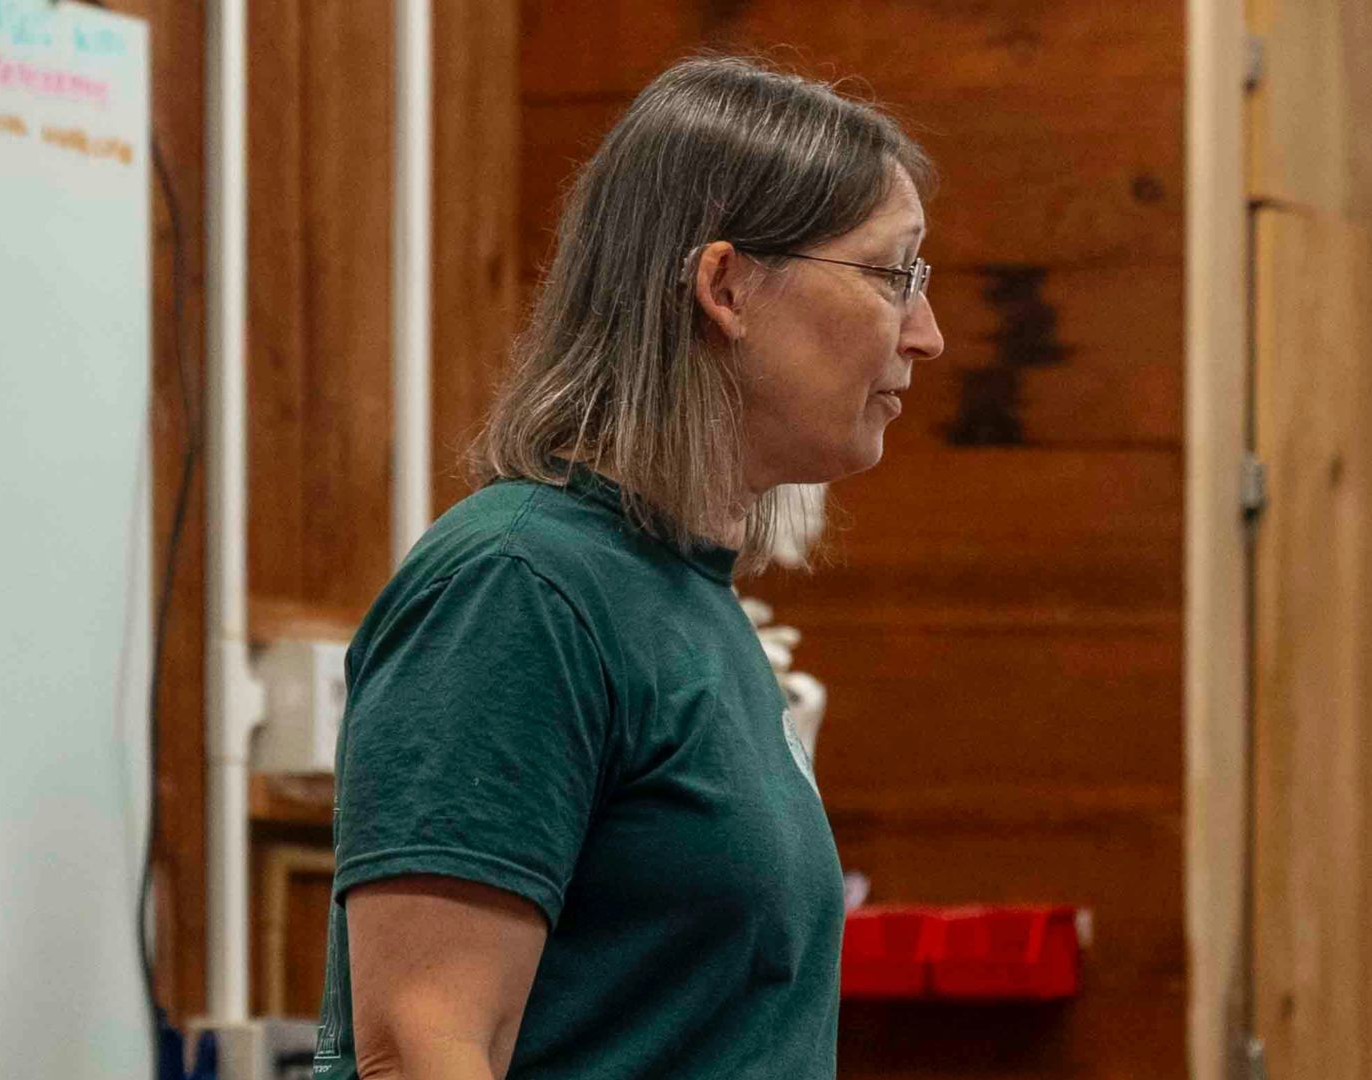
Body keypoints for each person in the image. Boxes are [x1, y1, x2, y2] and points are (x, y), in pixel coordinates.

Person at [311, 54, 945, 1080]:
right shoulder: (518, 586)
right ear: (726, 285)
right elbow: (417, 1048)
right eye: (891, 274)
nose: (927, 334)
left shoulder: (690, 601)